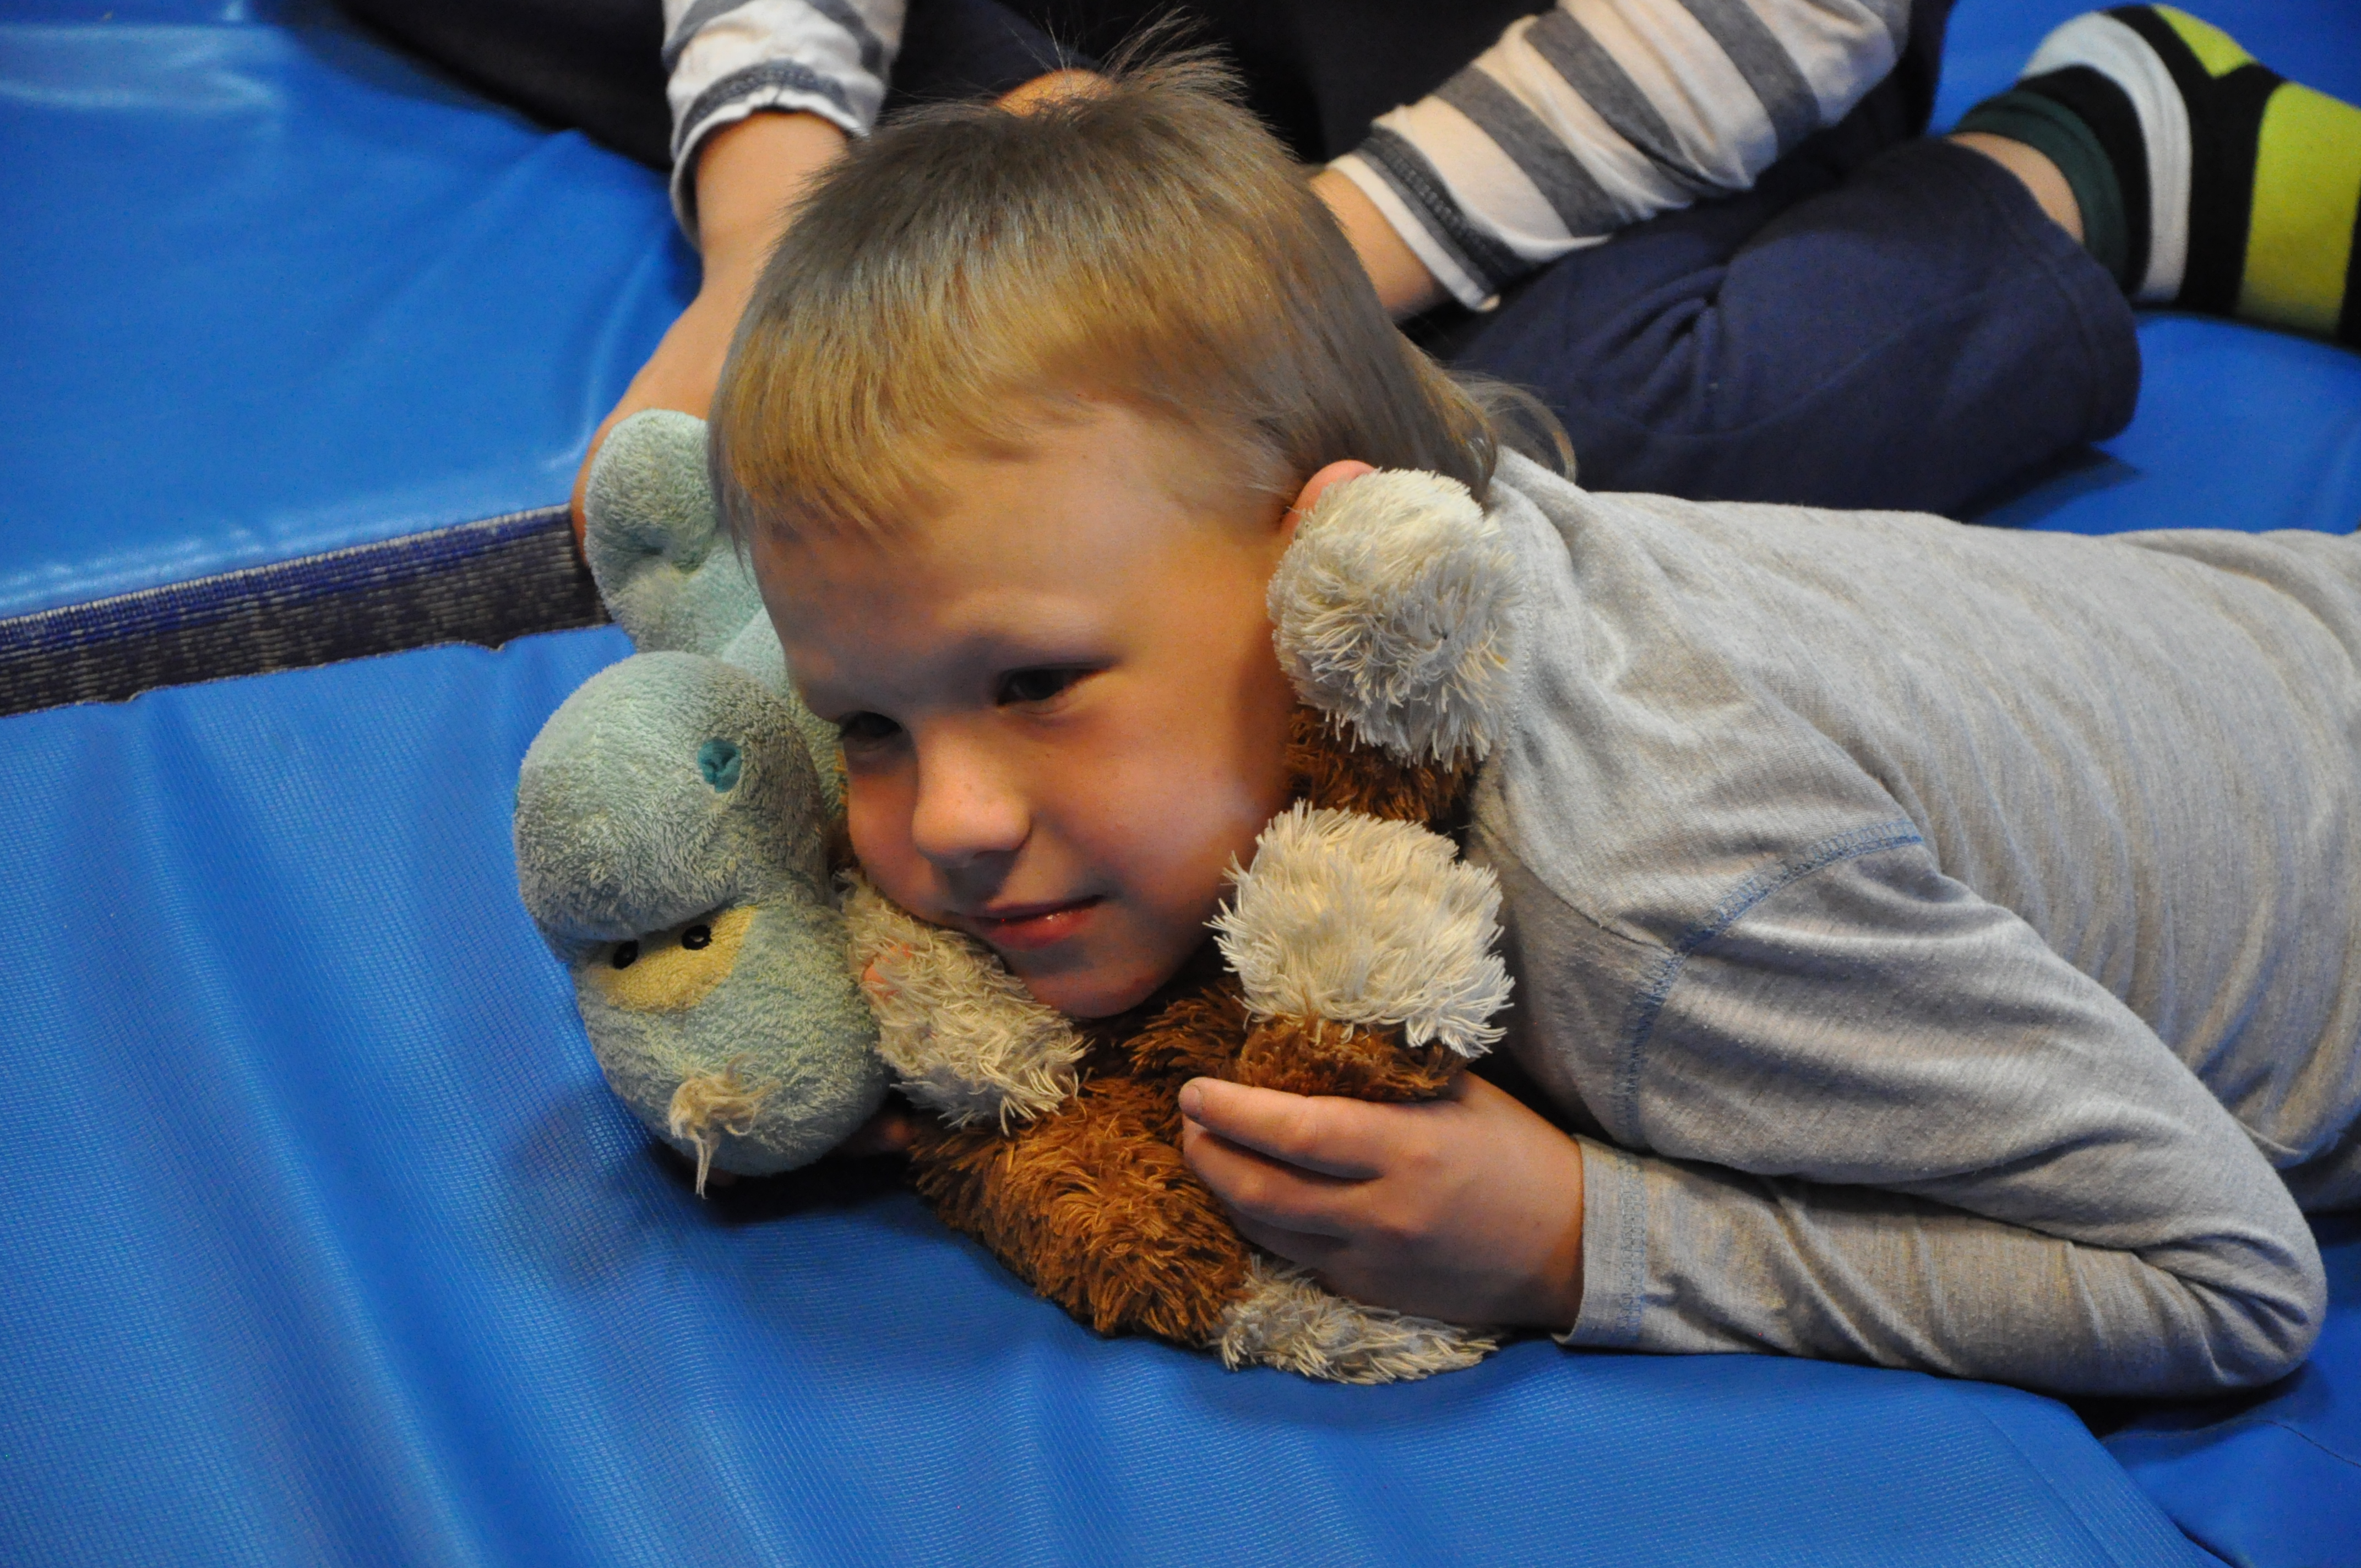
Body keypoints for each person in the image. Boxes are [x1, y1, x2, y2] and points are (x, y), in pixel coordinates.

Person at [708, 53, 2359, 1397]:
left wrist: (1581, 1239)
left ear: (1338, 575)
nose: (953, 824)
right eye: (867, 725)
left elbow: (2221, 1279)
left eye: (1036, 686)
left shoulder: (1644, 896)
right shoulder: (1424, 593)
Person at [343, 0, 2361, 529]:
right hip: (1207, 45)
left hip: (1621, 79)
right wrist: (773, 231)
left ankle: (2092, 156)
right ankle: (1067, 126)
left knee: (1531, 455)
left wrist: (1255, 273)